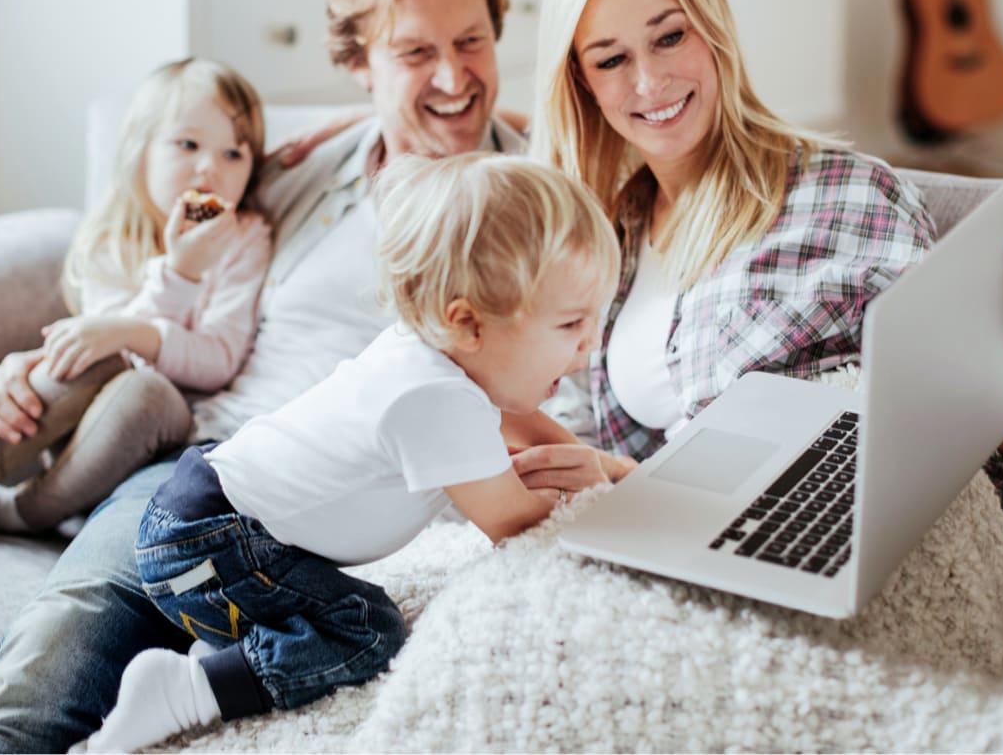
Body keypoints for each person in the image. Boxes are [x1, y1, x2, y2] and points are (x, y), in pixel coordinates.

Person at [0, 0, 535, 753]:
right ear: (356, 62)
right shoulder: (298, 175)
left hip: (362, 523)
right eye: (415, 51)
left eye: (472, 42)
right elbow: (165, 269)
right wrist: (38, 366)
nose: (453, 77)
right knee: (44, 688)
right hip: (207, 478)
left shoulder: (537, 202)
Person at [73, 153, 619, 753]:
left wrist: (605, 468)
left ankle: (238, 646)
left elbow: (522, 421)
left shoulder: (442, 359)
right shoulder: (435, 398)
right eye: (571, 325)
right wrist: (601, 495)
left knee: (331, 609)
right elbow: (517, 523)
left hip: (209, 521)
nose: (591, 346)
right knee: (368, 630)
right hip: (210, 544)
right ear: (467, 324)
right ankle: (183, 690)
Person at [514, 0, 1003, 488]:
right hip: (673, 530)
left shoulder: (850, 196)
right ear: (583, 81)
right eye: (611, 60)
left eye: (670, 37)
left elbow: (975, 450)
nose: (650, 82)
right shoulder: (603, 240)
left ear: (713, 30)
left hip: (837, 518)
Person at [0, 57, 271, 551]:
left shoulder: (245, 240)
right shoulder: (111, 236)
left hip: (161, 428)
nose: (209, 167)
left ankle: (22, 512)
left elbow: (217, 360)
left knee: (145, 386)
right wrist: (121, 331)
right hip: (80, 431)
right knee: (89, 349)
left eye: (235, 153)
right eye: (187, 144)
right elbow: (107, 351)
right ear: (138, 152)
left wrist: (180, 276)